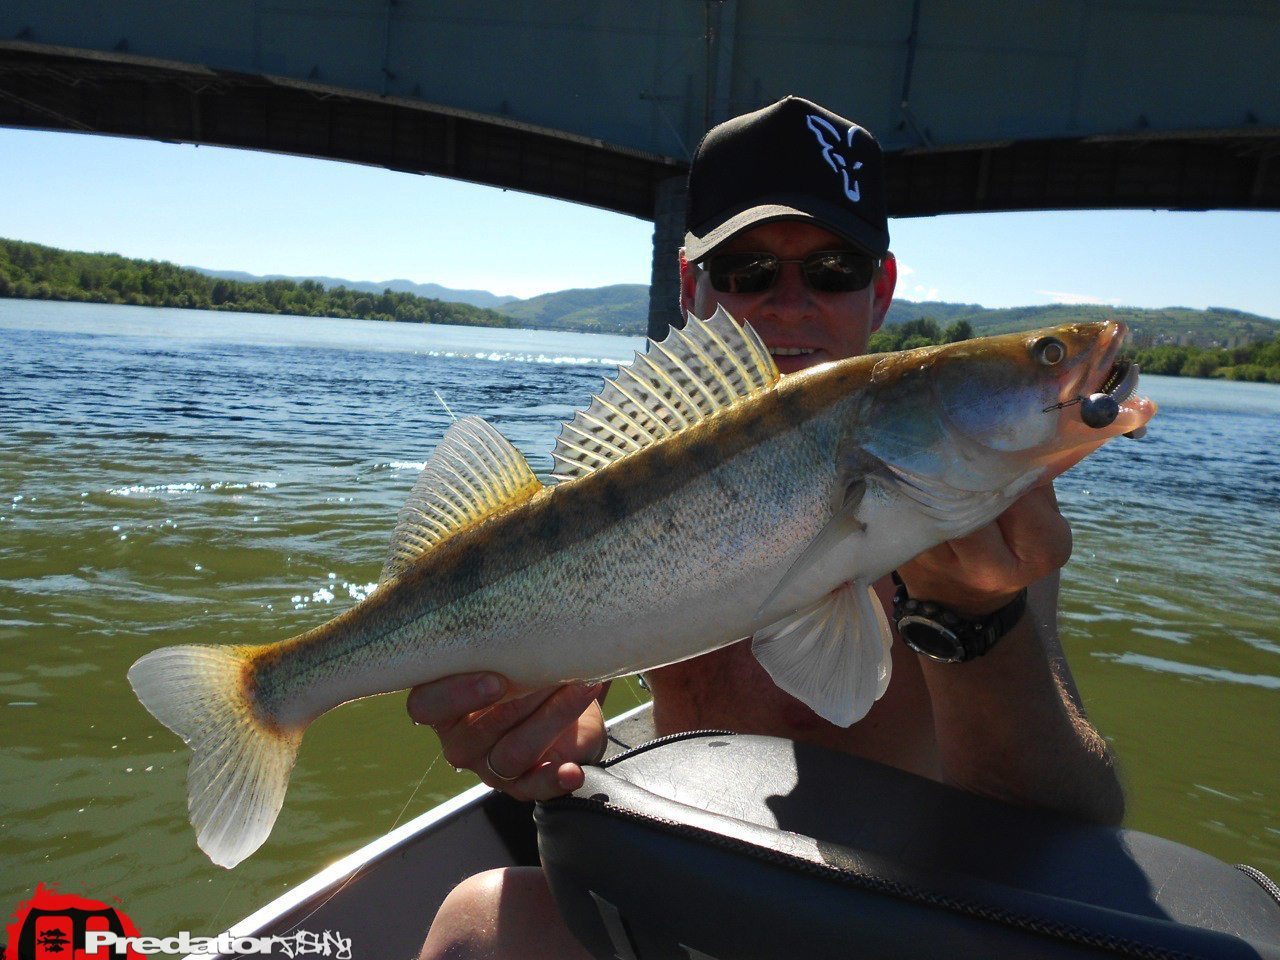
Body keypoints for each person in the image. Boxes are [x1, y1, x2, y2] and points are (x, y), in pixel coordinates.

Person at [411, 96, 1125, 960]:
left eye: (833, 268)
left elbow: (1076, 824)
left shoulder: (992, 510)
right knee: (472, 926)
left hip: (879, 926)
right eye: (746, 268)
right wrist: (542, 734)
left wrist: (977, 621)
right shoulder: (640, 476)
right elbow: (571, 701)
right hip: (680, 891)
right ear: (693, 287)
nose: (789, 303)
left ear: (880, 289)